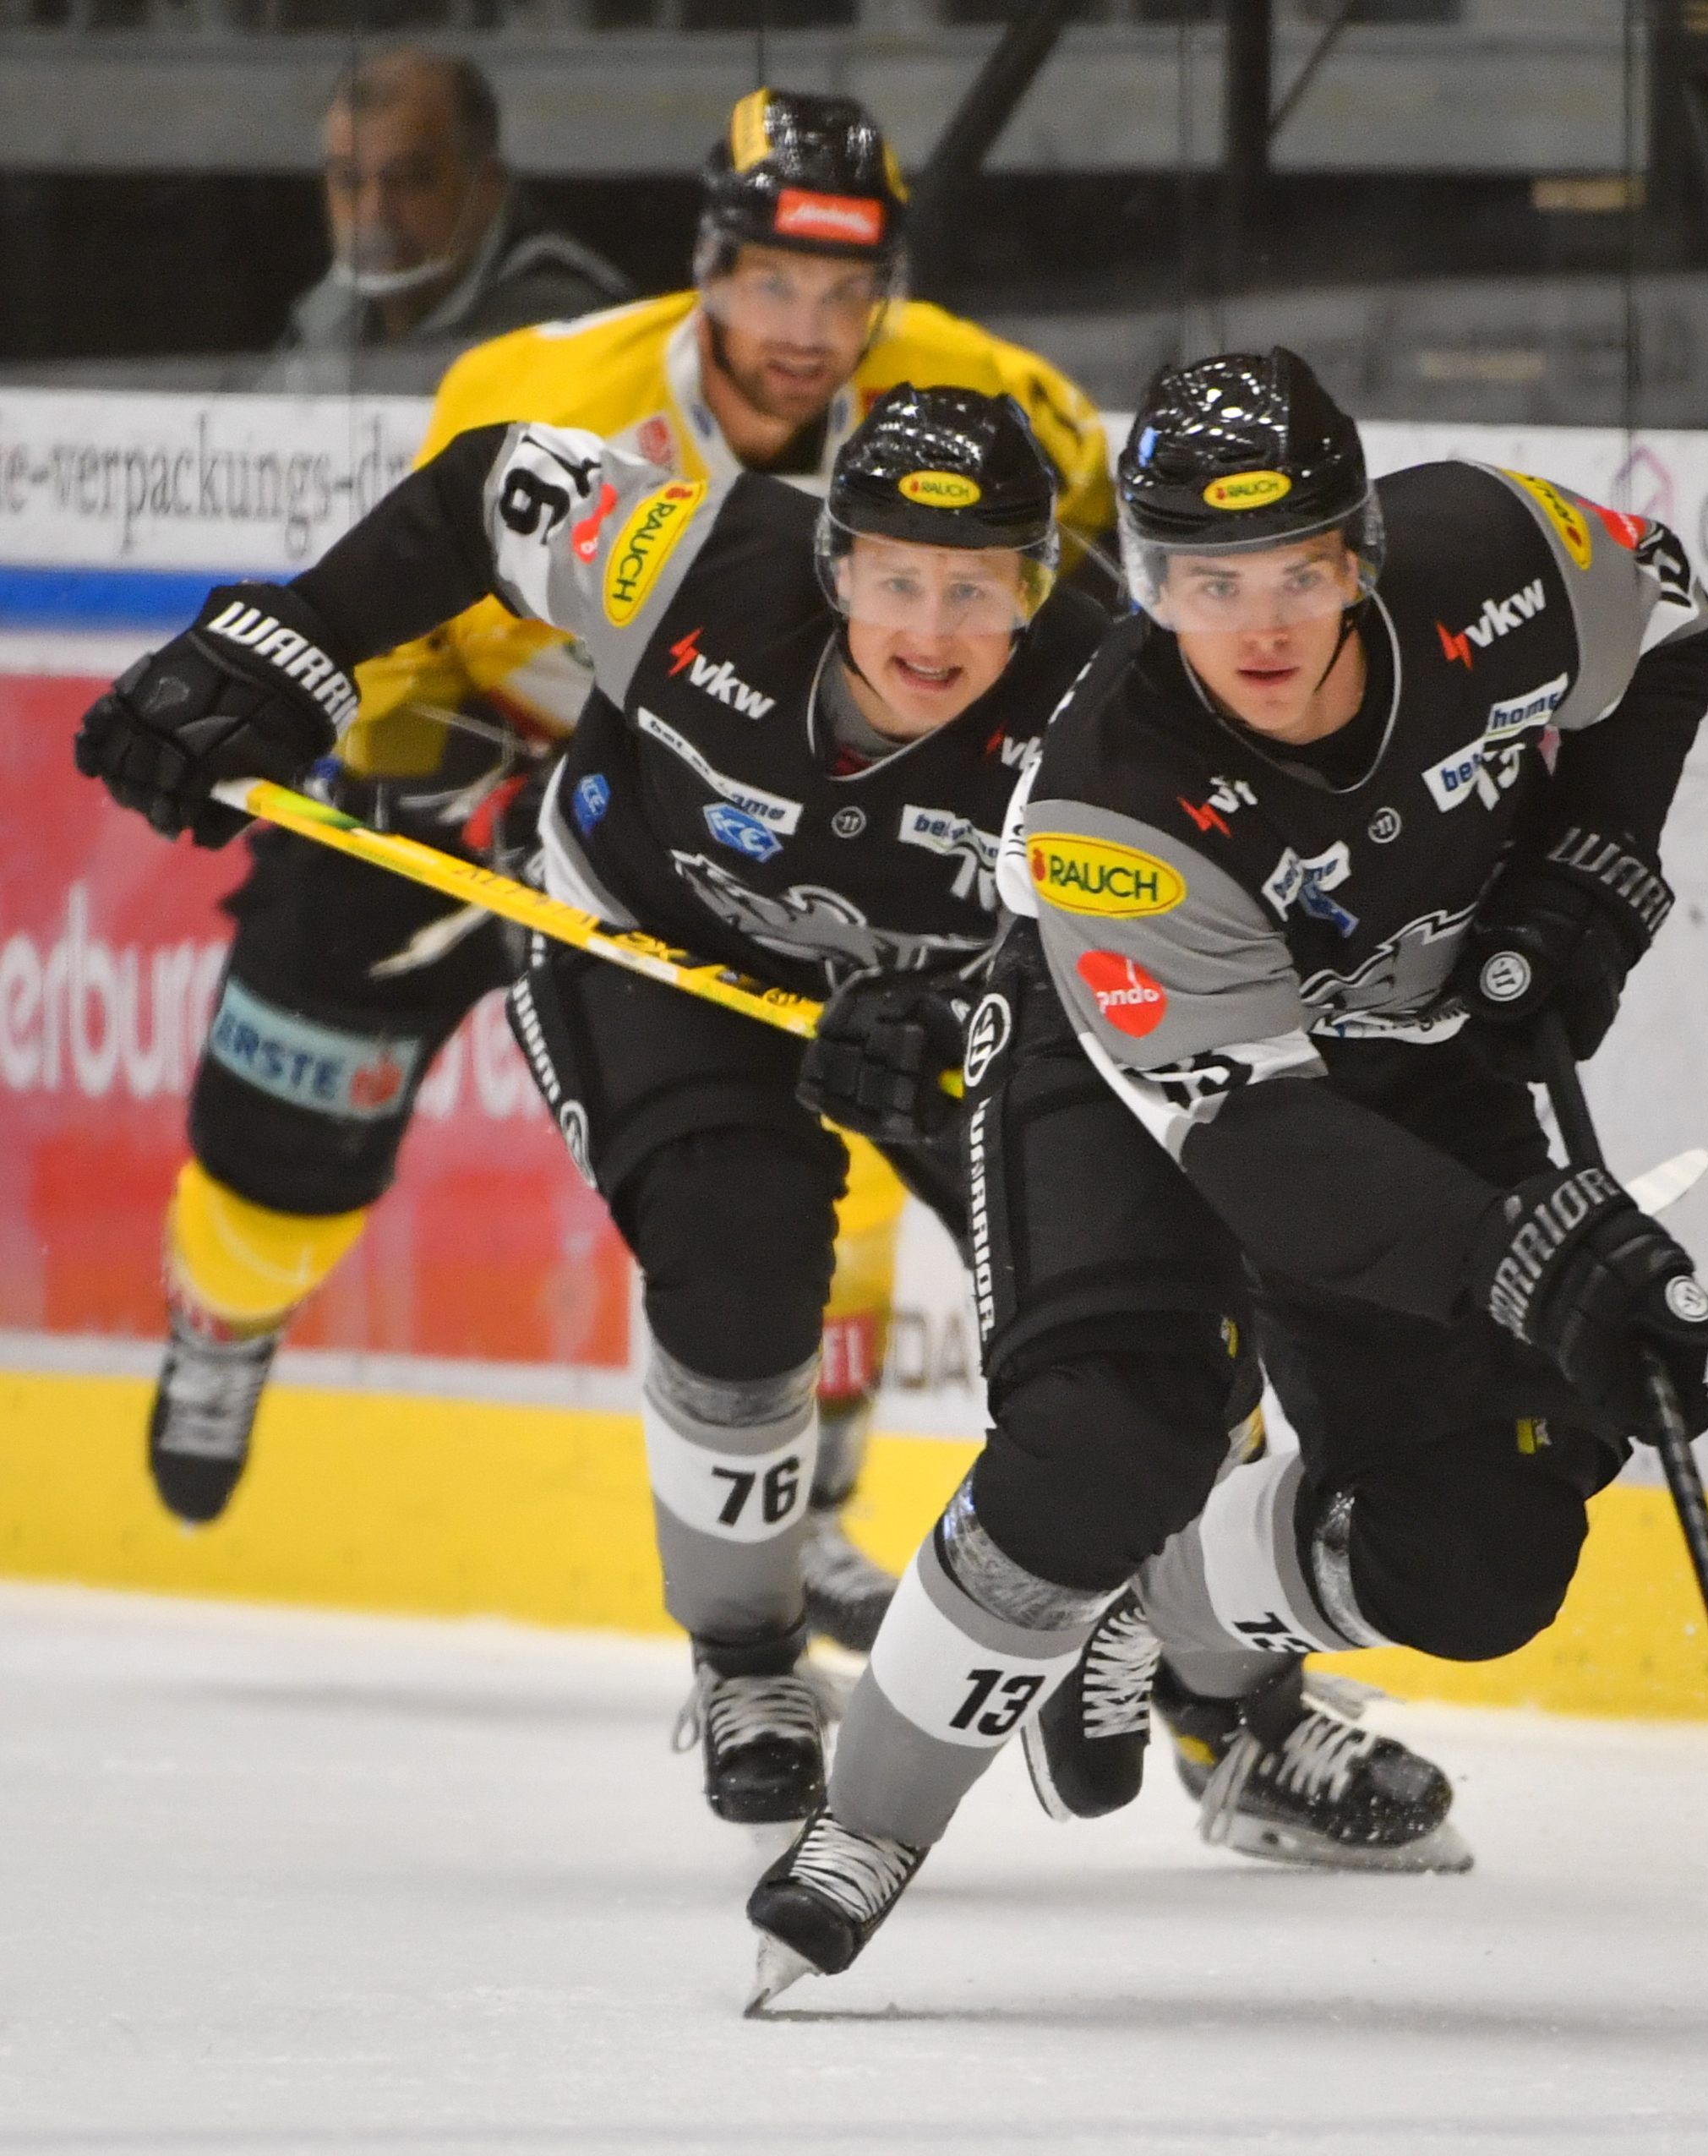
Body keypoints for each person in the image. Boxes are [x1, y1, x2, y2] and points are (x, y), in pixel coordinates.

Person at [746, 348, 1708, 1999]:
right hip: (1132, 1080)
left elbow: (1678, 620)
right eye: (1205, 582)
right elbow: (1262, 1155)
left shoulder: (1499, 556)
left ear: (1363, 557)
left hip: (1410, 1054)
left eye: (1294, 574)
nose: (1257, 626)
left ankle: (1167, 1604)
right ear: (1148, 579)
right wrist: (1532, 1249)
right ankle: (864, 1832)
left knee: (1488, 1542)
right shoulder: (1112, 798)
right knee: (1109, 1435)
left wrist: (1593, 878)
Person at [143, 87, 1112, 1657]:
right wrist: (400, 766)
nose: (810, 328)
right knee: (290, 1100)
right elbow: (421, 573)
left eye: (849, 289)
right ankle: (224, 1308)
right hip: (490, 769)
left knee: (829, 1111)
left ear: (894, 288)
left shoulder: (988, 407)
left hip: (766, 831)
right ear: (708, 265)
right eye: (773, 282)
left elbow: (1099, 634)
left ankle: (801, 1505)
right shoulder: (544, 384)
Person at [78, 387, 1100, 1831]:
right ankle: (749, 1656)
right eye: (894, 580)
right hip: (656, 944)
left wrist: (990, 1007)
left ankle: (1224, 1688)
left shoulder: (1106, 699)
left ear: (1036, 588)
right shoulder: (694, 562)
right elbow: (484, 490)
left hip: (942, 1015)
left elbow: (1178, 937)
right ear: (833, 565)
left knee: (1134, 1317)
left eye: (975, 589)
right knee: (733, 1254)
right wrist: (286, 643)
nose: (929, 631)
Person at [258, 50, 630, 396]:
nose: (373, 213)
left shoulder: (564, 320)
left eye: (409, 179)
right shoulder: (328, 314)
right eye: (348, 181)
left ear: (486, 189)